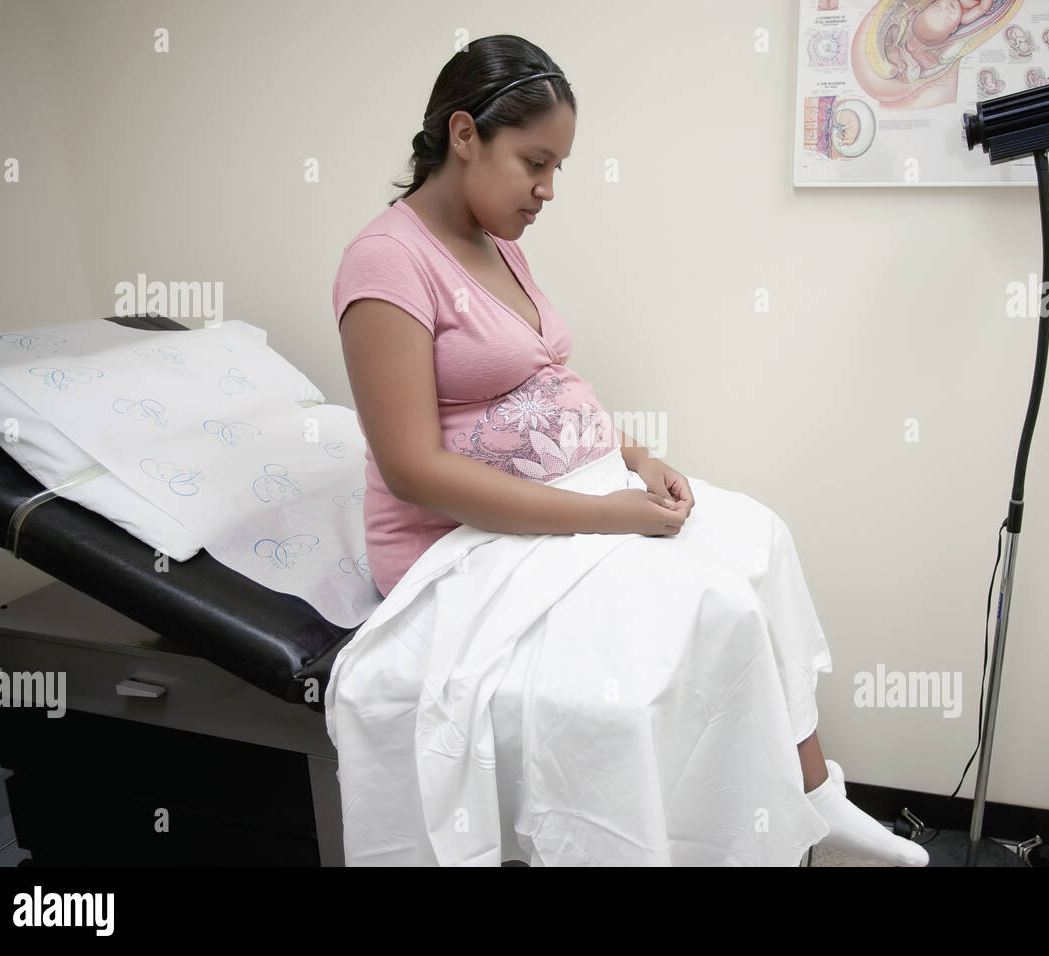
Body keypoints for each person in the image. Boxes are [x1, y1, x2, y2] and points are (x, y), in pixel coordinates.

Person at [330, 34, 928, 867]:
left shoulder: (499, 242)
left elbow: (544, 380)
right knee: (715, 609)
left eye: (559, 168)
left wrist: (638, 459)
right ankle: (720, 839)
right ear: (463, 134)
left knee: (760, 538)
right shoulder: (385, 263)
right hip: (457, 549)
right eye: (535, 162)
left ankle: (812, 794)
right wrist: (601, 517)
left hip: (578, 493)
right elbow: (413, 471)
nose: (548, 189)